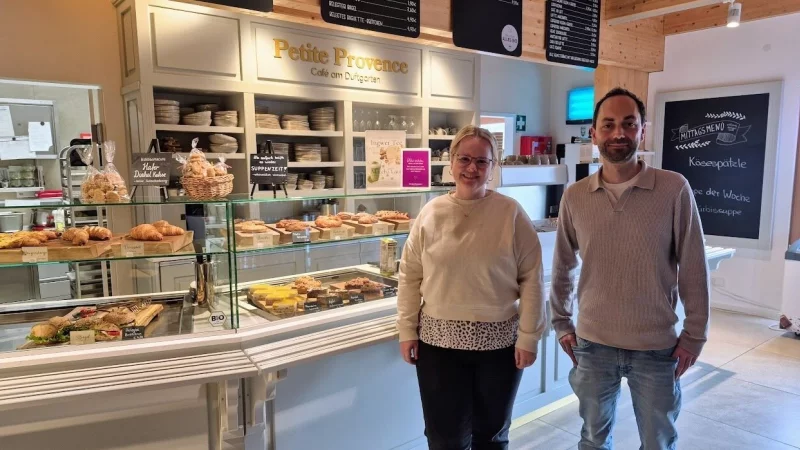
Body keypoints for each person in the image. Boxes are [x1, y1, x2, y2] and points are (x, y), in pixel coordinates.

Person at [550, 87, 710, 450]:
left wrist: (694, 335)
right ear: (593, 134)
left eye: (628, 124)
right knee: (592, 439)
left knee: (658, 443)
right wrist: (561, 323)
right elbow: (562, 265)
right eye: (608, 125)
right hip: (592, 346)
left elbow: (694, 268)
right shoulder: (575, 196)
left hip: (656, 348)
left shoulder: (673, 189)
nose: (618, 133)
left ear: (642, 130)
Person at [397, 125, 546, 450]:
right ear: (451, 163)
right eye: (464, 159)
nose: (472, 168)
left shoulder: (511, 214)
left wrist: (529, 336)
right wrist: (407, 329)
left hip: (499, 348)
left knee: (491, 437)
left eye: (482, 161)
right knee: (443, 439)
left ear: (493, 167)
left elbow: (532, 278)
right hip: (438, 347)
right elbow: (409, 276)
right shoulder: (431, 214)